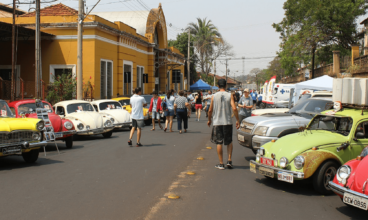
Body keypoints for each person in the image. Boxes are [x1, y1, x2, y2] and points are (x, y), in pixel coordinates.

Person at [207, 79, 240, 170]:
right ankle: (229, 160)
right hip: (228, 121)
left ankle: (221, 163)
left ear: (218, 86)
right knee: (229, 141)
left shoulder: (214, 96)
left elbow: (210, 110)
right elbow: (234, 108)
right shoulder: (230, 95)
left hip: (217, 122)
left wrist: (209, 120)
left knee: (219, 142)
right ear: (226, 86)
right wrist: (237, 120)